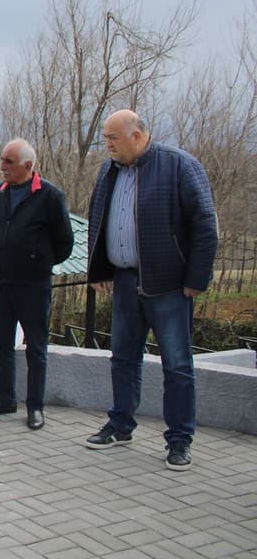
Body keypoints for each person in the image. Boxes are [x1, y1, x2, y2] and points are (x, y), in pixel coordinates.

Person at [84, 109, 217, 471]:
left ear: (138, 136)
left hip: (169, 287)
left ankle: (179, 441)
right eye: (106, 138)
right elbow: (98, 216)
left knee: (176, 365)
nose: (107, 145)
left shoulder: (178, 166)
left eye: (113, 138)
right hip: (125, 282)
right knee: (123, 358)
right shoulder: (109, 170)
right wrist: (98, 269)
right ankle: (120, 425)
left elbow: (205, 224)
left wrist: (195, 280)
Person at [0, 138, 74, 430]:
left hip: (33, 286)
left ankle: (35, 407)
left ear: (28, 166)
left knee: (36, 347)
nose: (2, 167)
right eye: (2, 160)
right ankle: (5, 399)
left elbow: (64, 243)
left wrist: (37, 262)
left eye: (9, 162)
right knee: (2, 344)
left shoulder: (49, 196)